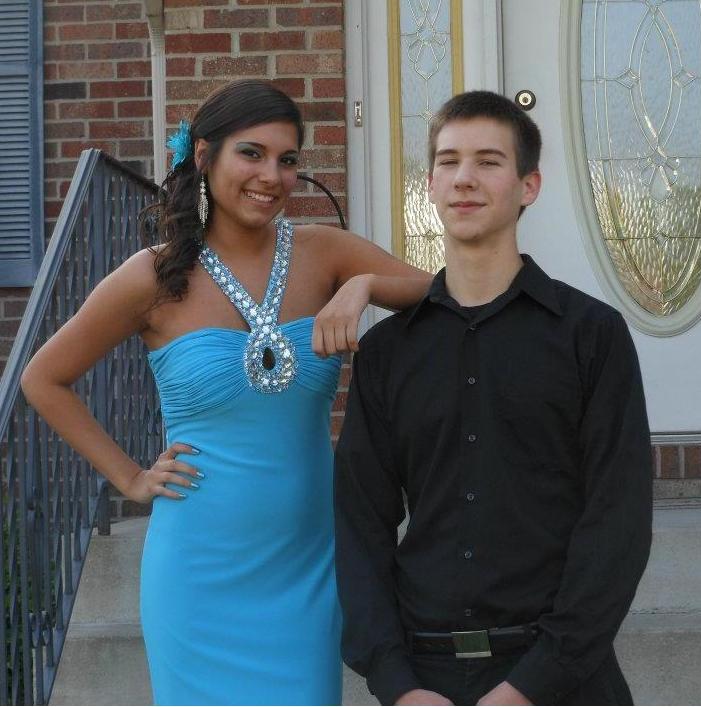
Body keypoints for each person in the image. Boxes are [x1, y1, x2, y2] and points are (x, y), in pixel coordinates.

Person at [21, 79, 431, 705]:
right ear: (204, 155)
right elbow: (42, 379)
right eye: (252, 153)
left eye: (287, 159)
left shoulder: (324, 252)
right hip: (197, 574)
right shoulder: (154, 275)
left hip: (306, 564)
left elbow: (442, 291)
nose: (271, 176)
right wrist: (131, 478)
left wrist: (366, 284)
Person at [334, 90, 653, 706]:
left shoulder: (592, 336)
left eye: (488, 161)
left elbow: (618, 519)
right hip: (425, 683)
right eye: (449, 161)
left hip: (561, 678)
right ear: (430, 184)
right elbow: (360, 523)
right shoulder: (387, 353)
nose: (465, 178)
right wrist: (395, 684)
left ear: (529, 186)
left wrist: (532, 685)